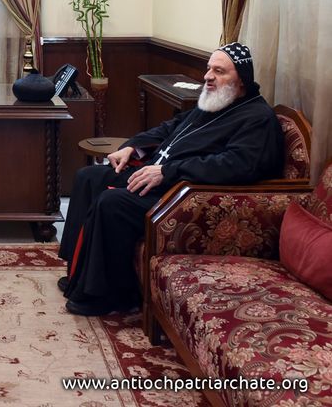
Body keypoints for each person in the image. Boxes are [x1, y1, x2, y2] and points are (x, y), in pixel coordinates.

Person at [59, 43, 284, 316]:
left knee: (112, 203)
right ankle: (77, 274)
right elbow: (171, 128)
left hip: (183, 192)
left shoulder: (258, 119)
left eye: (219, 71)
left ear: (242, 80)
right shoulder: (216, 100)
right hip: (159, 174)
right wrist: (134, 147)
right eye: (208, 69)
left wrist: (168, 172)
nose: (208, 77)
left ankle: (111, 295)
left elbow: (236, 166)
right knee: (88, 177)